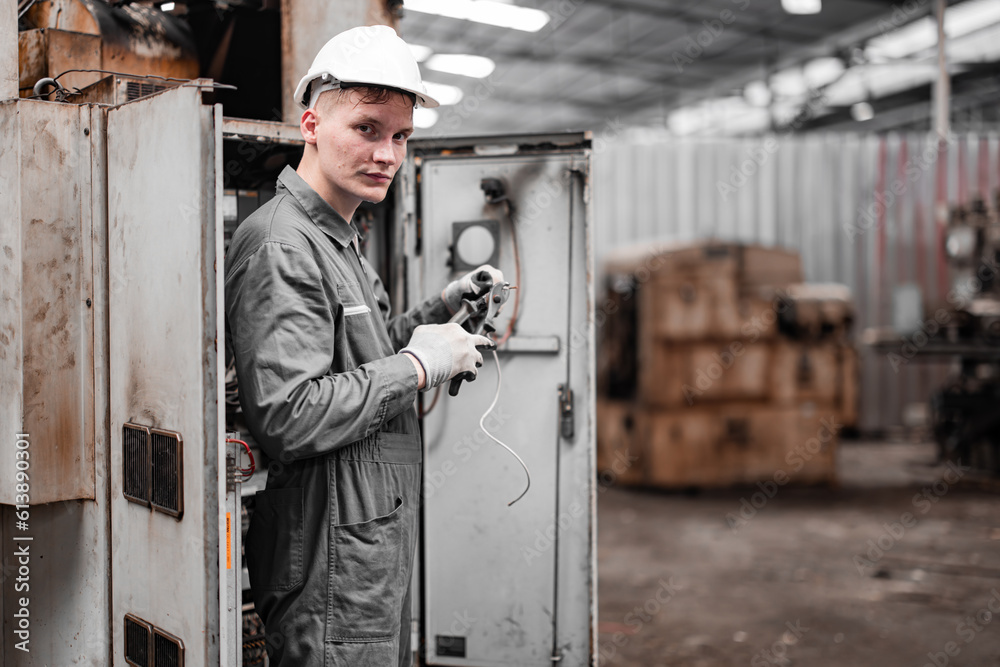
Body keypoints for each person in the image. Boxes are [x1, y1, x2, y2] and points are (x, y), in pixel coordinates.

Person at [225, 25, 503, 667]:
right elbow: (290, 415)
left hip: (365, 545)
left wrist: (444, 311)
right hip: (330, 560)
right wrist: (418, 366)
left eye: (400, 136)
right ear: (312, 124)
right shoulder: (282, 245)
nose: (387, 154)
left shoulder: (339, 236)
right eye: (367, 129)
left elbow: (364, 353)